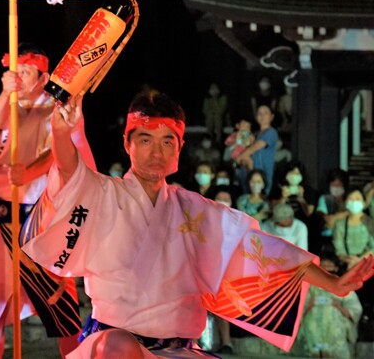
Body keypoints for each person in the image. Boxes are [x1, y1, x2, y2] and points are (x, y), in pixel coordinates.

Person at [22, 88, 374, 358]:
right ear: (127, 143)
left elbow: (259, 251)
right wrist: (60, 130)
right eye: (145, 140)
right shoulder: (100, 194)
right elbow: (69, 172)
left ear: (179, 149)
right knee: (118, 349)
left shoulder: (195, 212)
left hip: (178, 349)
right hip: (114, 346)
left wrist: (332, 283)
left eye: (166, 142)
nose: (156, 152)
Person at [0, 44, 94, 359]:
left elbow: (70, 158)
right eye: (14, 73)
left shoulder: (61, 109)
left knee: (61, 309)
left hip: (45, 221)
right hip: (3, 219)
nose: (20, 79)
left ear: (43, 76)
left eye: (26, 72)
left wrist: (30, 169)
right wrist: (3, 98)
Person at [296, 256, 364, 358]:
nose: (326, 269)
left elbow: (356, 309)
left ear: (336, 268)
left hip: (335, 334)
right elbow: (297, 311)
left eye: (329, 266)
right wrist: (309, 306)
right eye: (323, 266)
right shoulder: (308, 288)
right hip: (313, 332)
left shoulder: (344, 286)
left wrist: (339, 307)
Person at [235, 104, 279, 194]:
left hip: (263, 174)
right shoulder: (254, 134)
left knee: (261, 195)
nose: (262, 116)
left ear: (272, 116)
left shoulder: (271, 132)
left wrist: (239, 157)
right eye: (259, 113)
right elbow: (242, 145)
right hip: (250, 173)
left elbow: (255, 147)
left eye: (265, 113)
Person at [332, 190, 374, 272]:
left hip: (366, 264)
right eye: (351, 199)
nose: (354, 202)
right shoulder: (340, 224)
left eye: (357, 199)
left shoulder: (370, 222)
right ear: (345, 202)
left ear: (364, 202)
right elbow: (339, 249)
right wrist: (350, 260)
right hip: (347, 265)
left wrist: (359, 260)